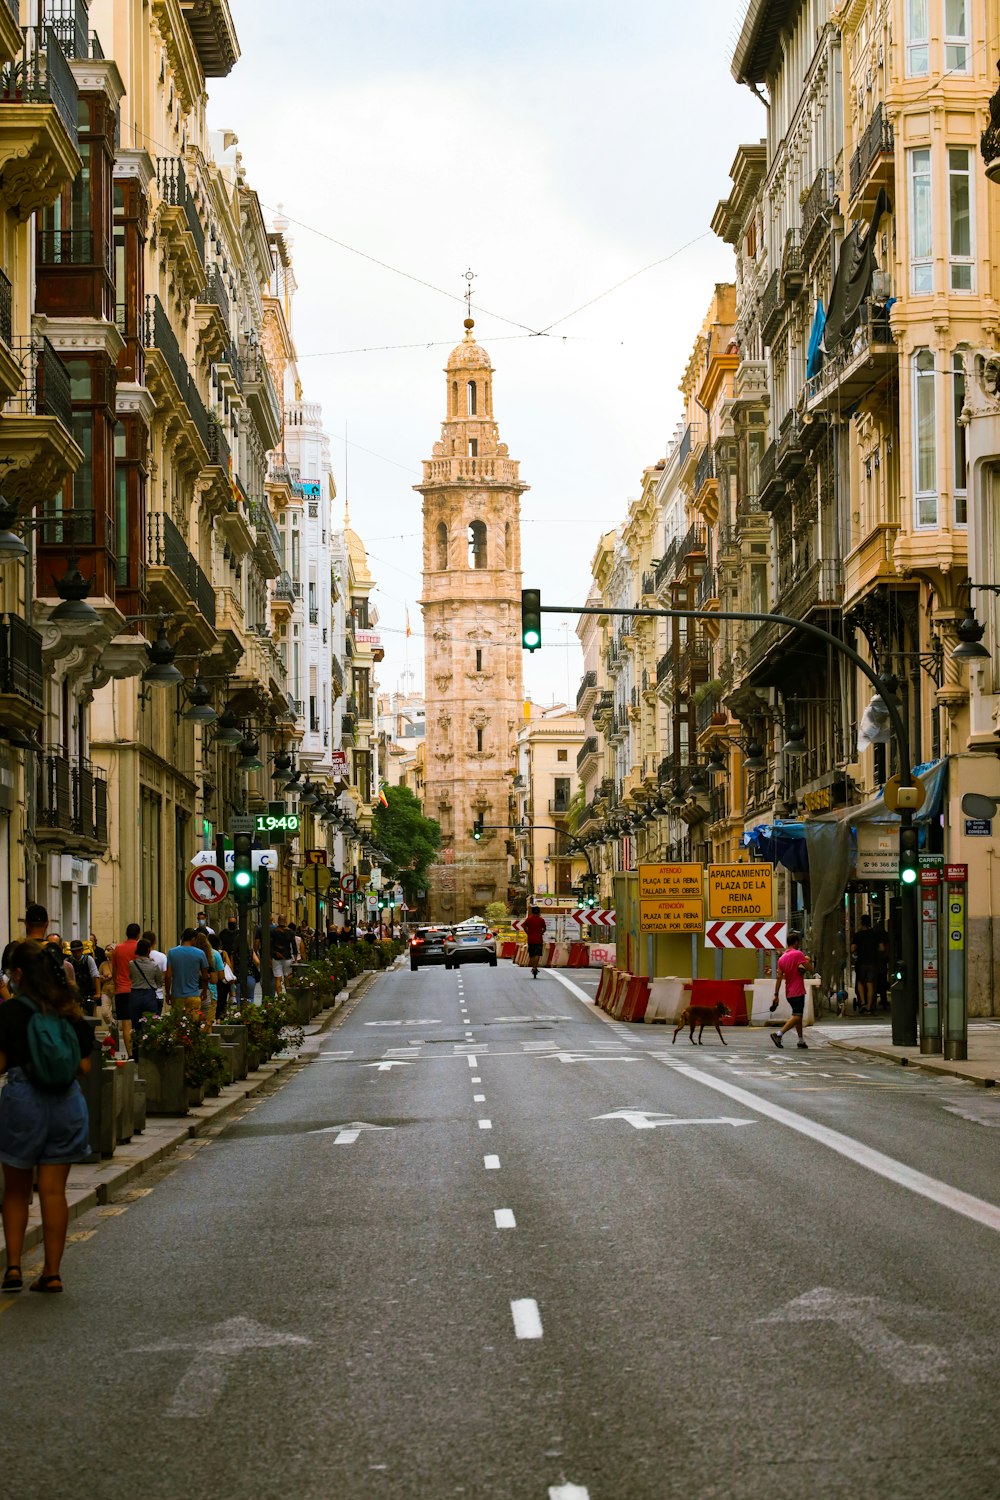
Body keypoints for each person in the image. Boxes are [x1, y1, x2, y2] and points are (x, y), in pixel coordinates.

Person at [0, 940, 96, 1294]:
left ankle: (13, 1268)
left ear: (20, 975)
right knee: (54, 1192)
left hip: (23, 1099)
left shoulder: (10, 1013)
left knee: (15, 1190)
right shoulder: (67, 1011)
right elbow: (84, 1066)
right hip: (66, 1103)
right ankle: (52, 1273)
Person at [771, 931, 812, 1049]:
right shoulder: (798, 954)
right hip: (798, 991)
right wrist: (806, 960)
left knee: (797, 1015)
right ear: (796, 942)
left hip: (788, 992)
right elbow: (810, 968)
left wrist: (776, 994)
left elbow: (779, 977)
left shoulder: (782, 959)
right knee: (797, 1016)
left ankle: (800, 1040)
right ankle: (779, 1034)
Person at [108, 923, 141, 1058]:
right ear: (138, 934)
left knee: (126, 1024)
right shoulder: (140, 947)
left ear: (126, 933)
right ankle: (138, 1051)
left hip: (122, 989)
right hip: (137, 989)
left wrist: (117, 985)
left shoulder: (118, 949)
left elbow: (114, 971)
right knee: (138, 1022)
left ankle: (130, 1054)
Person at [127, 940, 162, 1057]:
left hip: (135, 995)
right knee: (149, 1024)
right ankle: (149, 1052)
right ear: (148, 950)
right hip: (149, 995)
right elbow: (159, 983)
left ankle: (136, 1054)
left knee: (136, 1026)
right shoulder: (154, 965)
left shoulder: (132, 964)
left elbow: (130, 977)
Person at [164, 930, 209, 1018]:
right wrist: (204, 991)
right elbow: (205, 976)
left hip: (177, 995)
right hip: (193, 994)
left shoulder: (172, 952)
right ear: (193, 939)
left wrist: (168, 993)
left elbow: (168, 976)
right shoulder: (200, 953)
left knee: (178, 1024)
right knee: (193, 1024)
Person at [851, 913, 885, 1015]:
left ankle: (863, 1004)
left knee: (860, 982)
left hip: (861, 962)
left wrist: (858, 950)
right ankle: (870, 1007)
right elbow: (882, 947)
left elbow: (852, 949)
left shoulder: (858, 935)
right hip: (873, 962)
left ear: (861, 923)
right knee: (870, 984)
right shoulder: (875, 934)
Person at [191, 932, 224, 1025]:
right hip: (210, 992)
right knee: (207, 1022)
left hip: (191, 991)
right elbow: (219, 977)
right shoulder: (215, 954)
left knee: (193, 1020)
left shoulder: (191, 954)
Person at [68, 939, 99, 1016]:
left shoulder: (88, 959)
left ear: (82, 950)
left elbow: (95, 975)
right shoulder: (68, 961)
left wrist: (98, 993)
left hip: (88, 991)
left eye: (78, 951)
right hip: (74, 992)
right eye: (74, 951)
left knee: (89, 1013)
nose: (76, 953)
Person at [142, 930, 167, 1010]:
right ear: (155, 941)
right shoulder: (162, 956)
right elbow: (165, 975)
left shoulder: (138, 958)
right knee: (156, 1020)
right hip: (157, 994)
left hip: (142, 995)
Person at [269, 916, 295, 994]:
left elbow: (270, 945)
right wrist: (296, 958)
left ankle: (280, 997)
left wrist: (270, 957)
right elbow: (294, 946)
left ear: (278, 920)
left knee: (278, 978)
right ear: (286, 921)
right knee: (288, 978)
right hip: (287, 957)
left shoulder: (273, 931)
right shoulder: (290, 932)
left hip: (276, 958)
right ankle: (288, 996)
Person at [522, 906, 547, 979]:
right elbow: (544, 928)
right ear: (539, 912)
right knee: (537, 954)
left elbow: (524, 926)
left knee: (532, 954)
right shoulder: (541, 920)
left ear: (532, 912)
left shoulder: (529, 919)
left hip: (530, 939)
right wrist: (541, 933)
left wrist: (528, 933)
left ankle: (533, 967)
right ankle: (535, 967)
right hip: (539, 939)